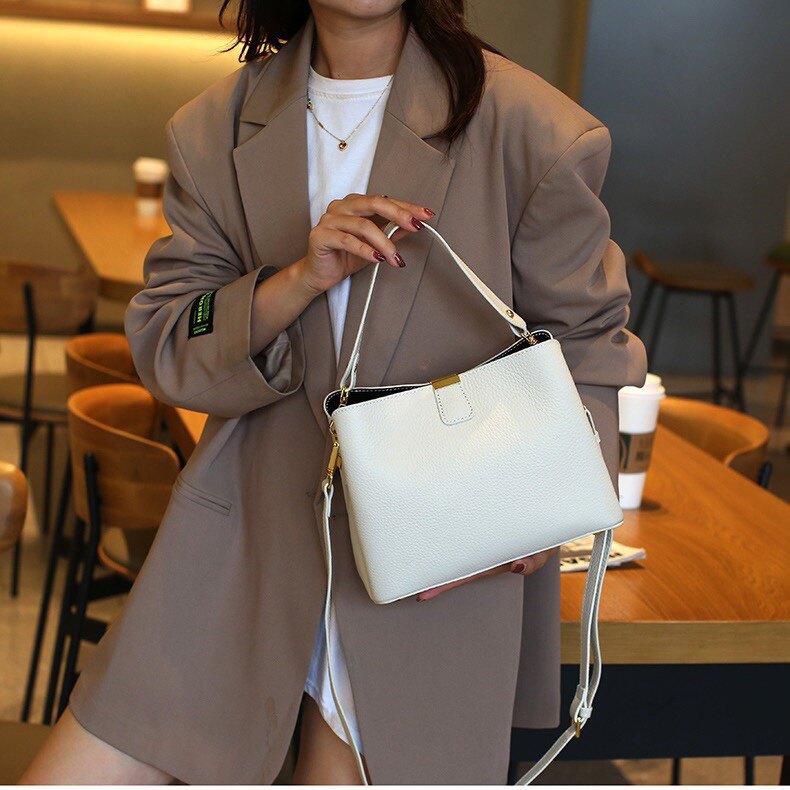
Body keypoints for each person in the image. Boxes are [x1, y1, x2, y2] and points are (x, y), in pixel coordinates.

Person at [21, 0, 647, 784]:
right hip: (244, 542)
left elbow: (590, 345)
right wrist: (295, 280)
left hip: (431, 570)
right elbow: (173, 335)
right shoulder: (213, 127)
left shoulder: (533, 129)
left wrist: (537, 509)